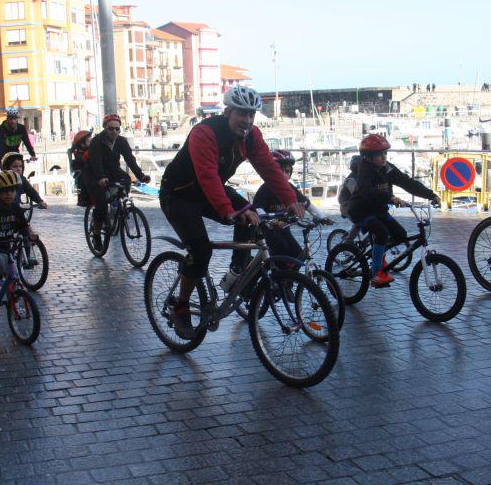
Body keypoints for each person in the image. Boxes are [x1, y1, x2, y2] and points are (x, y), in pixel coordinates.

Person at [158, 86, 303, 338]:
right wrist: (227, 210)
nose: (247, 120)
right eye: (242, 113)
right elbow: (207, 175)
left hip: (210, 190)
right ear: (228, 112)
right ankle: (180, 306)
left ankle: (237, 273)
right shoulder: (205, 133)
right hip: (179, 195)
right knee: (200, 251)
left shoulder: (252, 136)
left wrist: (290, 200)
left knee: (253, 216)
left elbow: (270, 170)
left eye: (251, 114)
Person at [342, 133, 440, 288]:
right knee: (381, 232)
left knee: (400, 234)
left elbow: (407, 183)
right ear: (368, 157)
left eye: (385, 153)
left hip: (379, 210)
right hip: (361, 211)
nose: (383, 157)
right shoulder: (364, 171)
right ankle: (376, 273)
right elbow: (368, 192)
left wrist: (431, 195)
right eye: (379, 154)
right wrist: (390, 198)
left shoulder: (387, 169)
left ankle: (379, 254)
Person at [252, 149, 331, 264]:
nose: (285, 174)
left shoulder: (290, 188)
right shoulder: (266, 188)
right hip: (268, 231)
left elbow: (306, 204)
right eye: (281, 171)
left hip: (284, 230)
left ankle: (286, 275)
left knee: (298, 254)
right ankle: (278, 274)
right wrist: (270, 221)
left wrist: (321, 217)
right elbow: (257, 208)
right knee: (282, 249)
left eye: (288, 171)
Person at [85, 114, 150, 249]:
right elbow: (96, 162)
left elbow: (130, 159)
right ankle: (96, 234)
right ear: (104, 128)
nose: (114, 131)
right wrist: (101, 177)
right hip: (93, 174)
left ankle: (116, 207)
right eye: (111, 128)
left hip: (112, 170)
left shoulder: (121, 141)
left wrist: (141, 176)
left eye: (117, 129)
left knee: (126, 180)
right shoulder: (96, 142)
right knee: (101, 205)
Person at [69, 129, 92, 207]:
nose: (92, 143)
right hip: (83, 177)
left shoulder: (87, 151)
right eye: (89, 141)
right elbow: (82, 161)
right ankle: (84, 199)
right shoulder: (79, 154)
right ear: (82, 144)